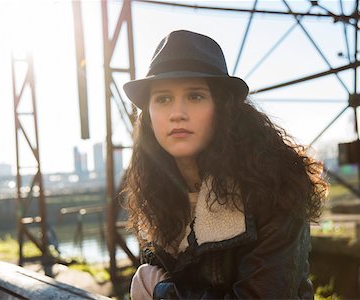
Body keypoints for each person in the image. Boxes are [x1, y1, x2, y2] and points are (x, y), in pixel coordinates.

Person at [122, 30, 327, 299]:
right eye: (163, 99)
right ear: (148, 115)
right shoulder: (156, 193)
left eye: (195, 96)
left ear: (223, 107)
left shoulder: (277, 185)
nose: (177, 114)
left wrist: (161, 291)